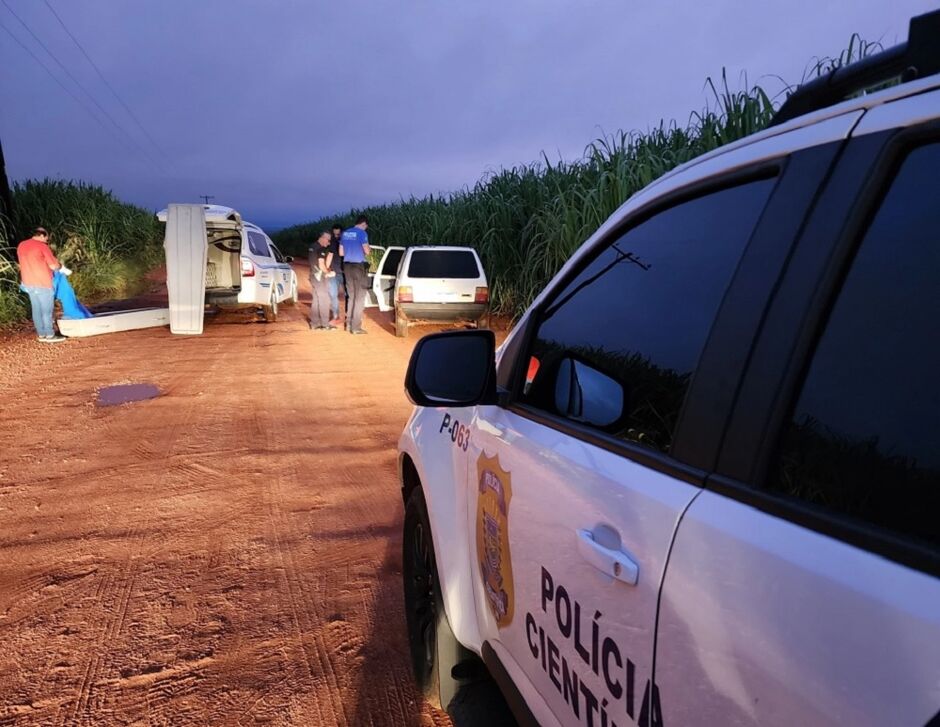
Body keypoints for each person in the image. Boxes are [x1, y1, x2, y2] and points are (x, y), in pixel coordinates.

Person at [16, 227, 66, 342]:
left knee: (36, 309)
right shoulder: (42, 246)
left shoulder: (21, 245)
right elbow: (54, 266)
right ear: (42, 235)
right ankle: (50, 334)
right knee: (47, 310)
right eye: (47, 237)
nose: (47, 240)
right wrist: (61, 267)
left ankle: (41, 334)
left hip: (28, 282)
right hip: (42, 282)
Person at [339, 215, 370, 335]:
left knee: (351, 296)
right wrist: (368, 249)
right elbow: (367, 251)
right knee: (360, 297)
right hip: (358, 267)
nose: (365, 229)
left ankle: (348, 325)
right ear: (364, 224)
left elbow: (341, 253)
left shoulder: (345, 233)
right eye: (365, 227)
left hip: (346, 266)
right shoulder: (362, 233)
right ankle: (356, 327)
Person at [307, 231, 336, 330]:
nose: (328, 243)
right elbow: (321, 264)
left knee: (316, 300)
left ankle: (314, 323)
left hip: (313, 276)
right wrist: (328, 272)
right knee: (324, 300)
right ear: (323, 238)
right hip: (319, 278)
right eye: (328, 240)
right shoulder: (320, 249)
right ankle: (325, 324)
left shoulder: (312, 246)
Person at [328, 223, 345, 325]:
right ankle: (336, 316)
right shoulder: (333, 242)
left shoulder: (347, 242)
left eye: (338, 234)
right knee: (333, 294)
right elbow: (330, 255)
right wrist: (327, 270)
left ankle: (350, 317)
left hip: (345, 273)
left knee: (349, 296)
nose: (336, 236)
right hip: (334, 273)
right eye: (334, 234)